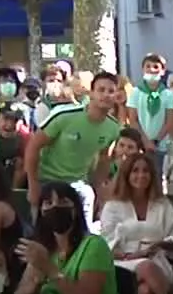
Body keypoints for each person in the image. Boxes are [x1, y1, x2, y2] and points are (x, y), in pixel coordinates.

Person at [100, 153, 173, 294]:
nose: (141, 175)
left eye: (145, 171)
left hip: (157, 260)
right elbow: (106, 245)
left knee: (145, 292)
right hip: (122, 263)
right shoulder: (113, 206)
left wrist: (158, 245)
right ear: (127, 174)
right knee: (145, 266)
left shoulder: (162, 204)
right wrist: (136, 255)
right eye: (135, 171)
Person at [24, 72, 121, 222]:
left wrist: (98, 189)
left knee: (83, 232)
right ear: (91, 93)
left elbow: (104, 158)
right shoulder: (65, 116)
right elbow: (33, 146)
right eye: (101, 90)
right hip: (47, 180)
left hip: (78, 184)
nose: (106, 95)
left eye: (111, 91)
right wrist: (33, 184)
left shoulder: (113, 127)